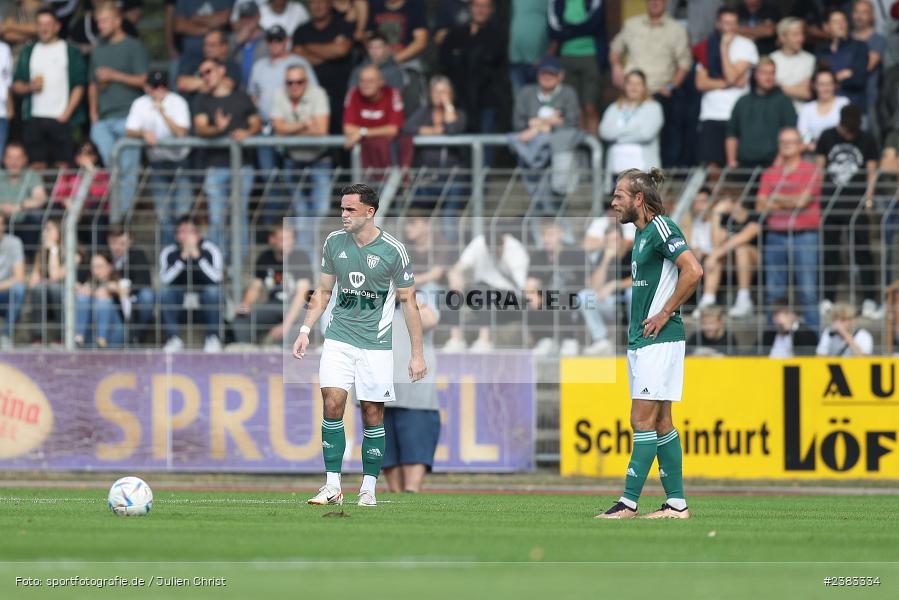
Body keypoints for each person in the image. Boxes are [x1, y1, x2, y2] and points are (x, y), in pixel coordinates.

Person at [292, 183, 426, 508]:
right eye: (341, 209)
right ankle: (331, 485)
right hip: (338, 339)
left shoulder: (393, 251)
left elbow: (409, 303)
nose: (343, 215)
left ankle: (368, 488)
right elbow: (323, 291)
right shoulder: (334, 242)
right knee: (332, 405)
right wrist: (305, 329)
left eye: (350, 210)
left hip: (376, 345)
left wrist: (417, 354)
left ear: (370, 212)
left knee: (372, 413)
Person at [596, 168, 702, 520]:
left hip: (659, 338)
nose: (613, 202)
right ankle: (676, 504)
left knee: (641, 420)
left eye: (619, 196)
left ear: (638, 199)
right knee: (661, 423)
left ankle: (627, 503)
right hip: (644, 340)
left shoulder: (661, 228)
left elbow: (694, 270)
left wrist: (664, 312)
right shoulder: (641, 235)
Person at [815, 104, 880, 319]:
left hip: (857, 203)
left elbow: (871, 171)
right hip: (831, 203)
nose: (850, 133)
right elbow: (819, 169)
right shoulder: (827, 136)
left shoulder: (867, 138)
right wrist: (818, 198)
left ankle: (871, 298)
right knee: (830, 253)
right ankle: (827, 297)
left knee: (863, 252)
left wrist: (868, 199)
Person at [610, 0, 692, 167]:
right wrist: (616, 67)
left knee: (666, 138)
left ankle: (664, 175)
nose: (655, 3)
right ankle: (625, 174)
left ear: (666, 3)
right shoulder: (631, 25)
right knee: (624, 130)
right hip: (632, 91)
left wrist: (670, 86)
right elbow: (615, 49)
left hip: (659, 92)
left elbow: (684, 63)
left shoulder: (676, 29)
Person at [192, 57, 260, 256]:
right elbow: (201, 128)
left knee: (240, 216)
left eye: (208, 71)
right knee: (216, 217)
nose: (205, 77)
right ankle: (216, 263)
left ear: (221, 70)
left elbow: (255, 123)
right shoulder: (202, 100)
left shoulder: (241, 97)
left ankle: (240, 266)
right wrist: (218, 128)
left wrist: (247, 133)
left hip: (242, 165)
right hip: (215, 165)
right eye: (202, 73)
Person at [88, 2, 148, 224]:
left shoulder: (134, 46)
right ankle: (114, 218)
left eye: (103, 21)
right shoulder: (98, 50)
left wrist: (114, 75)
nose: (100, 26)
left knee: (127, 172)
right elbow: (92, 85)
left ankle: (121, 222)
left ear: (117, 20)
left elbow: (144, 80)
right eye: (98, 22)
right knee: (111, 171)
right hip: (102, 120)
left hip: (128, 118)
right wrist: (94, 115)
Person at [757, 127, 822, 329]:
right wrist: (791, 201)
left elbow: (804, 201)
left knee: (808, 290)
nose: (786, 145)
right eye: (783, 141)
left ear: (801, 145)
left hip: (805, 235)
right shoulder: (770, 173)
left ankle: (814, 342)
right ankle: (774, 340)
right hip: (776, 235)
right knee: (774, 291)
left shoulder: (812, 170)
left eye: (791, 141)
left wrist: (775, 198)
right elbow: (760, 206)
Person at [509, 56, 581, 230]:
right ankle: (541, 243)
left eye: (552, 74)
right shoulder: (526, 92)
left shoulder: (568, 93)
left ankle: (565, 239)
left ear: (560, 76)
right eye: (544, 73)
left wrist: (537, 125)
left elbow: (572, 122)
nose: (547, 77)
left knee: (557, 199)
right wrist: (549, 122)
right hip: (532, 160)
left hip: (558, 155)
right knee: (537, 200)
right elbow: (518, 124)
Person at [124, 69, 193, 249]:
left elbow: (181, 133)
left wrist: (163, 113)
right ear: (147, 88)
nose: (159, 90)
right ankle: (169, 257)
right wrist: (143, 133)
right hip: (157, 164)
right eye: (155, 86)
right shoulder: (140, 103)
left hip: (181, 163)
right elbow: (129, 130)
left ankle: (186, 256)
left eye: (163, 86)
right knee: (163, 215)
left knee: (182, 213)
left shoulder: (178, 102)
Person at [11, 8, 87, 170]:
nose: (44, 28)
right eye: (40, 24)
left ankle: (62, 196)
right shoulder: (28, 51)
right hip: (34, 118)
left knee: (63, 166)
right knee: (36, 165)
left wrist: (66, 113)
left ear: (57, 26)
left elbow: (79, 85)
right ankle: (40, 196)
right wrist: (28, 87)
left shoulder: (69, 50)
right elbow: (16, 84)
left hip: (61, 118)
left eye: (48, 24)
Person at [383, 286, 440, 493]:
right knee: (384, 448)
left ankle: (412, 490)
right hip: (380, 384)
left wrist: (404, 295)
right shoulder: (369, 295)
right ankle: (395, 494)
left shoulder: (422, 296)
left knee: (417, 445)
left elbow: (430, 319)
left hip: (415, 388)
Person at [269, 65, 331, 245]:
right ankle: (306, 262)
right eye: (290, 82)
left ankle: (318, 261)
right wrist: (305, 125)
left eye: (299, 82)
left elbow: (321, 130)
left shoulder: (318, 94)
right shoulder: (279, 95)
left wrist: (290, 130)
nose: (294, 86)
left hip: (319, 160)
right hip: (292, 160)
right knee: (301, 215)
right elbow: (278, 129)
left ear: (307, 82)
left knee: (321, 211)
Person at [443, 231, 529, 352]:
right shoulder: (479, 243)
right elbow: (459, 266)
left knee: (484, 291)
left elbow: (522, 286)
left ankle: (484, 341)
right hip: (479, 291)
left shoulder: (516, 250)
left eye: (496, 250)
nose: (492, 253)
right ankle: (456, 339)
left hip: (510, 297)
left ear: (503, 243)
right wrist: (455, 277)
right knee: (453, 292)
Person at [695, 6, 759, 168]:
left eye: (733, 23)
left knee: (736, 164)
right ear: (717, 24)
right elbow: (701, 83)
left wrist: (724, 49)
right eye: (726, 23)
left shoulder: (747, 45)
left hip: (738, 113)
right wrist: (730, 82)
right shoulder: (706, 46)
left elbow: (731, 75)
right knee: (712, 164)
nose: (729, 27)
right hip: (711, 113)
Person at [248, 24, 318, 171]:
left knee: (292, 172)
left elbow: (313, 93)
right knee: (268, 174)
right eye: (271, 40)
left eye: (278, 39)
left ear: (286, 40)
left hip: (294, 126)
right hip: (266, 127)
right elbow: (252, 96)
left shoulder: (299, 62)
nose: (274, 43)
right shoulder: (259, 66)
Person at [233, 225, 313, 345]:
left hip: (296, 306)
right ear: (272, 240)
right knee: (241, 318)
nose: (287, 243)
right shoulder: (265, 258)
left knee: (302, 321)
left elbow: (302, 295)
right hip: (274, 305)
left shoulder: (300, 258)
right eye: (283, 239)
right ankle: (246, 350)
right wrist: (246, 305)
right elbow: (255, 287)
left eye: (290, 239)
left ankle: (282, 352)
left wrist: (286, 325)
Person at [159, 215, 224, 353]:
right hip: (179, 303)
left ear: (198, 234)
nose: (186, 236)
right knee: (164, 292)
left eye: (190, 231)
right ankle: (173, 339)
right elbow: (165, 280)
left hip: (205, 303)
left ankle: (212, 338)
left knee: (214, 292)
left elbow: (217, 278)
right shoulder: (169, 252)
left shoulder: (210, 250)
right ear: (176, 235)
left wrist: (197, 256)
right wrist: (182, 258)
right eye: (182, 231)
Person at [439, 0, 504, 136]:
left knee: (485, 142)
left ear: (491, 10)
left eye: (484, 7)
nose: (480, 10)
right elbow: (445, 59)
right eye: (477, 6)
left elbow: (492, 60)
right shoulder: (456, 32)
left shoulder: (497, 35)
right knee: (462, 142)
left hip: (486, 100)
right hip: (460, 99)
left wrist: (461, 54)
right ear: (470, 8)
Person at [291, 0, 354, 133]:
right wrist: (330, 50)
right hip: (310, 95)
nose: (318, 6)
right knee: (314, 133)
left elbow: (341, 50)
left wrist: (308, 47)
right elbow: (297, 54)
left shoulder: (342, 26)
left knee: (341, 135)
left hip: (340, 92)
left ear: (330, 4)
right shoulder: (301, 30)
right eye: (313, 3)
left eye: (322, 2)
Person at [726, 57, 798, 169]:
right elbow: (732, 134)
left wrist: (779, 161)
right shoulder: (742, 101)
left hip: (774, 165)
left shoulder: (784, 101)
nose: (769, 77)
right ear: (755, 74)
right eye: (764, 73)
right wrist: (731, 161)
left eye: (772, 73)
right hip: (744, 165)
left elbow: (791, 133)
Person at [698, 195, 760, 319]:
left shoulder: (754, 216)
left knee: (740, 249)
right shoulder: (725, 219)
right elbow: (716, 243)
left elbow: (746, 236)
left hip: (754, 260)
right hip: (731, 261)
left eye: (723, 201)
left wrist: (716, 253)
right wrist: (716, 215)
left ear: (734, 202)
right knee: (716, 256)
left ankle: (744, 299)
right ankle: (707, 300)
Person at [548, 0, 605, 133]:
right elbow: (554, 29)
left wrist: (568, 30)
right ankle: (580, 149)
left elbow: (594, 24)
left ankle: (594, 150)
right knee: (575, 109)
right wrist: (581, 29)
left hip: (590, 56)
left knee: (590, 107)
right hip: (566, 58)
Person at [576, 221, 632, 355]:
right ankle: (601, 339)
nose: (613, 244)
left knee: (632, 293)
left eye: (615, 240)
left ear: (622, 240)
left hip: (629, 303)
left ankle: (635, 337)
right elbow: (594, 286)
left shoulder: (632, 253)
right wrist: (605, 261)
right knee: (584, 296)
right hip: (610, 304)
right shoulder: (603, 256)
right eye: (609, 241)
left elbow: (640, 279)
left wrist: (614, 285)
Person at [599, 69, 663, 172]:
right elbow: (604, 132)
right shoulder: (614, 108)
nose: (634, 87)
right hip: (616, 171)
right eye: (630, 83)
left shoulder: (654, 108)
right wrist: (633, 129)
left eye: (638, 83)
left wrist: (617, 136)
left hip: (643, 173)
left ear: (644, 87)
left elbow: (645, 134)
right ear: (624, 86)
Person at [342, 64, 404, 169]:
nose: (365, 85)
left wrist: (362, 133)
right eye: (362, 81)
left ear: (381, 82)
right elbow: (348, 128)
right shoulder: (353, 93)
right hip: (363, 161)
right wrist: (377, 132)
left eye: (370, 81)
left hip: (389, 159)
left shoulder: (393, 94)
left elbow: (393, 129)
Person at [74, 250, 131, 348]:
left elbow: (128, 314)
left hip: (115, 330)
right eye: (93, 267)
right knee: (83, 298)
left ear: (110, 267)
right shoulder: (89, 284)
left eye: (100, 266)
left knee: (103, 301)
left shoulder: (120, 283)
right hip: (92, 330)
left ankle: (102, 339)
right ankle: (79, 337)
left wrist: (117, 291)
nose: (96, 270)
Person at [107, 226, 154, 344]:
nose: (117, 247)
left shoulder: (138, 255)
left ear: (129, 242)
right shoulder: (104, 255)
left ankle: (139, 336)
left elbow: (145, 281)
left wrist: (126, 289)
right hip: (112, 300)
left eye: (122, 243)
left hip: (132, 299)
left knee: (147, 296)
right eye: (114, 242)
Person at [0, 142, 47, 256]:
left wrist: (20, 206)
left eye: (18, 158)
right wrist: (2, 207)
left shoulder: (31, 175)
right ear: (4, 159)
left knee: (36, 216)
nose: (13, 162)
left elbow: (41, 197)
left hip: (24, 220)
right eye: (10, 157)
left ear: (24, 159)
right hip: (2, 220)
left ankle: (28, 259)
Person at [815, 8, 869, 107]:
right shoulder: (820, 52)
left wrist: (829, 81)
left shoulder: (859, 46)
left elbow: (858, 79)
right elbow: (817, 82)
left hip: (854, 108)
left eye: (843, 20)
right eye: (836, 21)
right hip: (827, 109)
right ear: (826, 27)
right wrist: (841, 76)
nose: (841, 24)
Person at [173, 0, 232, 77]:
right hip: (190, 56)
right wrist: (209, 28)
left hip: (219, 59)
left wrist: (196, 18)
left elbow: (223, 18)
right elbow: (179, 25)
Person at [175, 29, 243, 96]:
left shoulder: (232, 66)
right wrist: (212, 83)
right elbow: (181, 83)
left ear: (224, 47)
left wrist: (195, 84)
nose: (207, 48)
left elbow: (226, 86)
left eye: (212, 45)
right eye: (205, 44)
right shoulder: (195, 62)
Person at [798, 69, 850, 152]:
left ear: (834, 85)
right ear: (815, 86)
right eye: (821, 84)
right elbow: (804, 134)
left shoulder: (843, 103)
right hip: (813, 151)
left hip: (840, 149)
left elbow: (848, 129)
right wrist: (812, 145)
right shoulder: (807, 108)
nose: (825, 88)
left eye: (829, 84)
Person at [771, 17, 815, 112]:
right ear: (782, 37)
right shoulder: (772, 59)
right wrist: (795, 88)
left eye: (801, 34)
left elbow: (806, 93)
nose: (801, 38)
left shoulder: (810, 60)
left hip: (801, 112)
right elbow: (768, 90)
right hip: (776, 112)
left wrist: (778, 86)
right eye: (795, 35)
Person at [366, 0, 428, 68]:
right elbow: (368, 37)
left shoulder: (415, 7)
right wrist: (378, 57)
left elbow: (420, 42)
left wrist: (393, 60)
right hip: (377, 59)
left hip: (407, 61)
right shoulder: (375, 6)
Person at [851, 0, 887, 118]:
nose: (859, 16)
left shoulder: (878, 40)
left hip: (869, 99)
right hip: (848, 98)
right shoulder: (847, 39)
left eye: (864, 12)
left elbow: (867, 66)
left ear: (872, 16)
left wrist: (845, 71)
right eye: (857, 12)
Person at [508, 0, 549, 95]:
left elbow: (556, 26)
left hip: (540, 62)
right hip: (514, 60)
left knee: (540, 106)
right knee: (519, 105)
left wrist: (547, 56)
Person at [0, 212, 26, 349]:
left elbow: (19, 278)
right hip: (4, 286)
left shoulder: (13, 243)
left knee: (18, 289)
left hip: (4, 294)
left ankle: (6, 336)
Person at [231, 2, 267, 88]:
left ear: (259, 16)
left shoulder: (269, 38)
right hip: (237, 90)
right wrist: (237, 42)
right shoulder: (232, 38)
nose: (247, 20)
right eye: (244, 17)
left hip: (261, 88)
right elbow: (222, 60)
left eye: (250, 17)